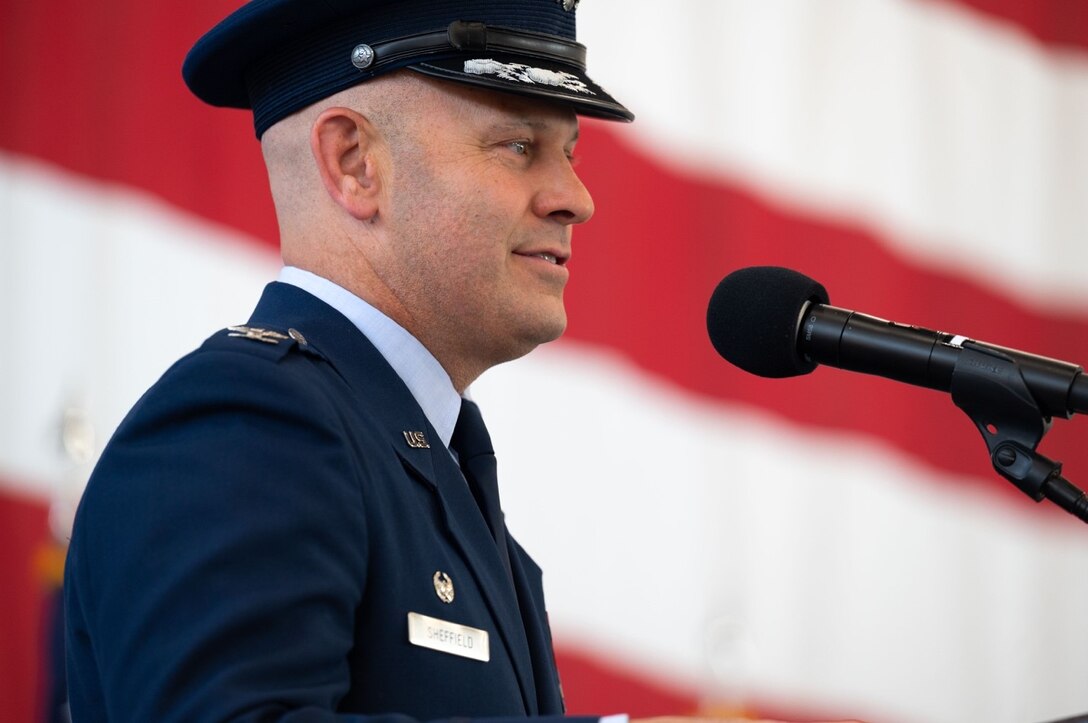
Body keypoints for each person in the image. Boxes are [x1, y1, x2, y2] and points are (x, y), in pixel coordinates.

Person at [63, 1, 633, 721]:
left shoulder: (423, 458)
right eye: (518, 145)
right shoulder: (251, 422)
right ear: (354, 164)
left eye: (570, 153)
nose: (575, 199)